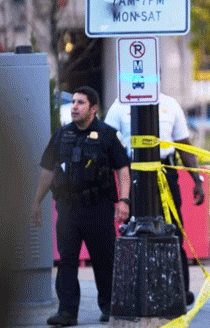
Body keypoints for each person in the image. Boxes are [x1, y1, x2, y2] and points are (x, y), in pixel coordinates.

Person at [30, 86, 131, 326]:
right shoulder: (61, 135)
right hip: (68, 207)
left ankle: (108, 306)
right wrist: (36, 202)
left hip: (99, 206)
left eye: (81, 103)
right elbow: (47, 170)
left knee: (104, 258)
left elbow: (122, 169)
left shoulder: (108, 135)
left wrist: (124, 200)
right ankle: (67, 311)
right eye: (73, 102)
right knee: (67, 260)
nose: (74, 106)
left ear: (93, 108)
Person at [104, 92, 205, 306]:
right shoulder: (120, 104)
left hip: (165, 172)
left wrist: (197, 179)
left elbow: (183, 145)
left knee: (173, 229)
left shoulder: (170, 103)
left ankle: (180, 291)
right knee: (135, 232)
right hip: (136, 173)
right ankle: (139, 290)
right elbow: (107, 142)